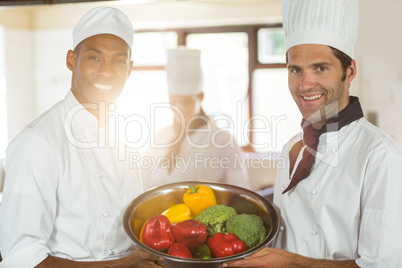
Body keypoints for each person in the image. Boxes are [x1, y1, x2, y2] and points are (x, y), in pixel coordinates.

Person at [221, 0, 402, 267]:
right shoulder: (292, 147)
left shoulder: (379, 156)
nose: (305, 85)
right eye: (296, 70)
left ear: (349, 71)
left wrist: (289, 263)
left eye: (320, 68)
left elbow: (384, 265)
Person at [0, 6, 167, 268]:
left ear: (130, 69)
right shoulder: (37, 142)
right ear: (71, 60)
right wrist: (124, 266)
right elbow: (22, 260)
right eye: (95, 58)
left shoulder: (125, 136)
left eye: (119, 61)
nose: (107, 71)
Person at [141, 47, 249, 190]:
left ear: (201, 97)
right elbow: (142, 187)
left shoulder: (223, 141)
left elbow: (239, 194)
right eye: (173, 101)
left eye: (185, 102)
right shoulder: (158, 138)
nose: (178, 108)